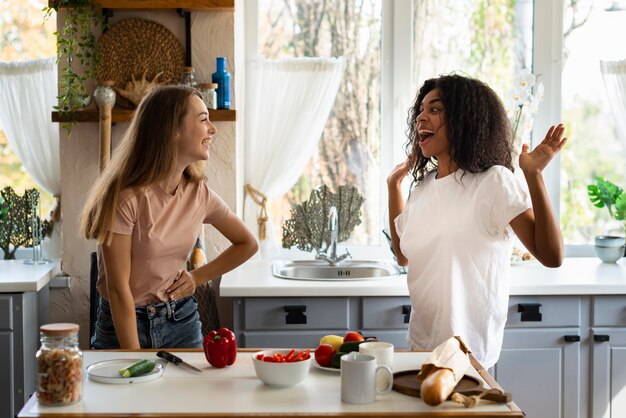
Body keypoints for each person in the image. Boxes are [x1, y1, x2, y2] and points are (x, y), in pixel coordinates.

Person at [387, 74, 566, 368]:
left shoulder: (493, 182)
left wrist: (533, 175)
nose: (421, 117)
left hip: (470, 356)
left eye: (434, 109)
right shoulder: (422, 188)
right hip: (420, 349)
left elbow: (552, 256)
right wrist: (393, 187)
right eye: (421, 109)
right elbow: (404, 255)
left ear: (463, 119)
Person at [80, 85, 258, 349]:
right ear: (172, 130)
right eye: (203, 119)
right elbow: (118, 292)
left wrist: (197, 278)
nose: (212, 128)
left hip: (181, 320)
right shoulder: (125, 199)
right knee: (132, 391)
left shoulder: (199, 193)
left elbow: (248, 244)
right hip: (124, 325)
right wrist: (135, 360)